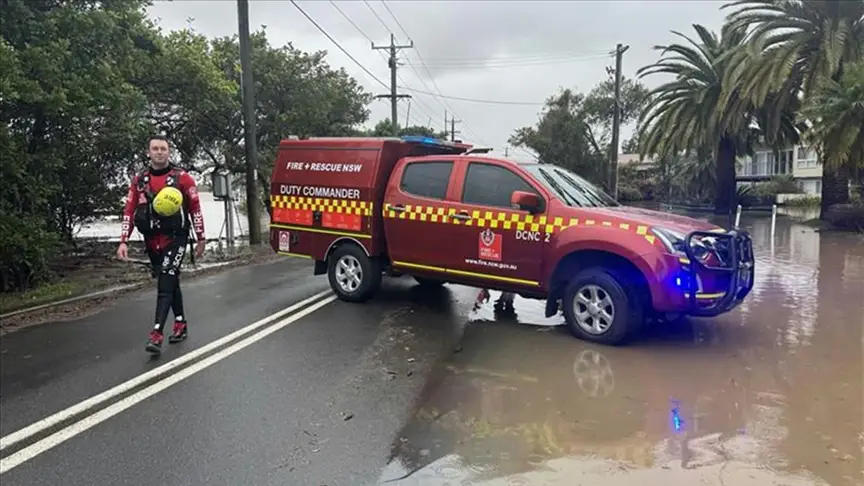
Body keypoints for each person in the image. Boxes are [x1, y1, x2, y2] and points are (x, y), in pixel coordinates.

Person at [116, 135, 206, 355]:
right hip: (152, 240)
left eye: (163, 149)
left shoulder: (183, 178)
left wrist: (201, 238)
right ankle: (180, 323)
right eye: (155, 149)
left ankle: (156, 334)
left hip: (176, 238)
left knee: (165, 280)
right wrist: (123, 241)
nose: (159, 152)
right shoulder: (139, 181)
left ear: (169, 151)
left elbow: (195, 209)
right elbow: (129, 210)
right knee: (170, 280)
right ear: (148, 152)